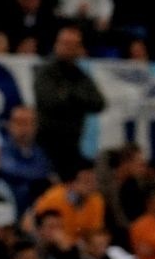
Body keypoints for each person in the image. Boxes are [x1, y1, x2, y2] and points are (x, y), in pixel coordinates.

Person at [33, 25, 106, 178]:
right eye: (65, 43)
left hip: (73, 144)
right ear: (56, 44)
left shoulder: (80, 75)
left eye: (73, 45)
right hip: (46, 144)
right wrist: (78, 100)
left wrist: (69, 95)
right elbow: (51, 102)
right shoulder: (46, 71)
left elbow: (99, 103)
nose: (69, 48)